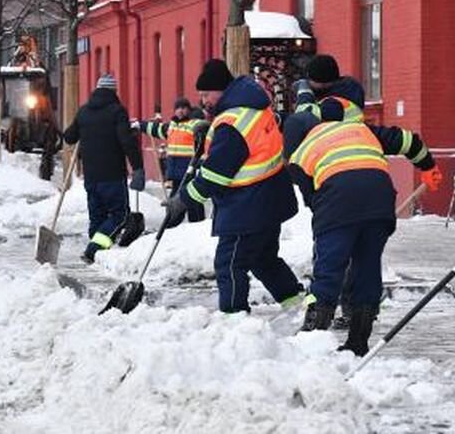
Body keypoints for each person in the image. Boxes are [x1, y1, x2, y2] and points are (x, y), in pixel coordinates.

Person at [283, 112, 443, 356]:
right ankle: (358, 341)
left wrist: (331, 227)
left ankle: (312, 337)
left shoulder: (300, 153)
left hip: (338, 203)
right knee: (367, 267)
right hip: (380, 201)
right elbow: (409, 141)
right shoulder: (359, 130)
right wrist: (428, 166)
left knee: (329, 267)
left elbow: (312, 200)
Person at [165, 59, 303, 314]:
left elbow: (216, 174)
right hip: (270, 198)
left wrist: (183, 200)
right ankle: (296, 304)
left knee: (229, 263)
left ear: (221, 90)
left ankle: (233, 318)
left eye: (206, 94)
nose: (203, 100)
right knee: (263, 258)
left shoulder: (231, 123)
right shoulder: (255, 105)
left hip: (247, 204)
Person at [63, 74, 144, 264]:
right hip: (113, 174)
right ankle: (94, 250)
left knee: (97, 215)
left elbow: (69, 137)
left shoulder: (83, 112)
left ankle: (98, 252)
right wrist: (138, 168)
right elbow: (126, 142)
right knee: (120, 215)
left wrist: (85, 129)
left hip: (90, 175)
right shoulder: (117, 112)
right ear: (114, 91)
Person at [132, 97, 207, 226]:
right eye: (178, 108)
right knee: (178, 199)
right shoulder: (171, 126)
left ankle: (193, 226)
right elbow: (155, 128)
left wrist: (201, 162)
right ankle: (172, 226)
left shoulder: (194, 124)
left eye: (184, 108)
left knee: (191, 199)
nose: (181, 111)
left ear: (189, 110)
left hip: (189, 169)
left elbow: (204, 140)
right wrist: (140, 125)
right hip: (176, 171)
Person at [294, 54, 365, 123]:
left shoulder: (333, 104)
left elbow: (302, 117)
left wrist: (304, 93)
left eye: (309, 80)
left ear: (321, 82)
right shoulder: (348, 92)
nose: (308, 83)